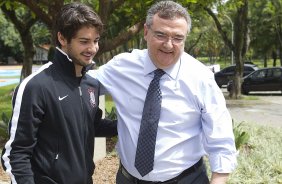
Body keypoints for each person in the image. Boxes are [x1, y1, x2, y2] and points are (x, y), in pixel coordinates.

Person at [91, 1, 237, 184]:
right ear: (146, 32)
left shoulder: (201, 78)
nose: (168, 45)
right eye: (160, 35)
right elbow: (81, 81)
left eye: (178, 38)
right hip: (128, 179)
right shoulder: (122, 67)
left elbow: (221, 141)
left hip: (186, 179)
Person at [1, 2, 117, 184]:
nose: (93, 48)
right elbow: (16, 154)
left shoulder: (91, 84)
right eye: (84, 41)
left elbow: (92, 126)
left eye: (95, 41)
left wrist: (130, 123)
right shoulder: (36, 86)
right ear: (62, 39)